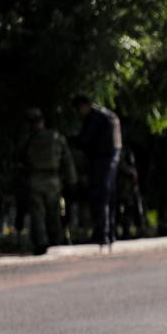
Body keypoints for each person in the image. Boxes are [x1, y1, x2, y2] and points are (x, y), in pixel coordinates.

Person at [16, 107, 76, 254]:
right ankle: (55, 241)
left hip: (35, 179)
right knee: (53, 212)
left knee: (38, 214)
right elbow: (67, 161)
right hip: (53, 180)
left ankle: (42, 243)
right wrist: (72, 181)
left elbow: (19, 158)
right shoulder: (55, 137)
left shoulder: (28, 139)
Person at [70, 95, 122, 246]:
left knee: (100, 198)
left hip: (101, 163)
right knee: (108, 198)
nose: (79, 113)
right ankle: (110, 233)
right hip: (112, 161)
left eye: (79, 108)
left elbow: (84, 140)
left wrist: (71, 140)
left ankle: (102, 234)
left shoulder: (94, 118)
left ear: (84, 105)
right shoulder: (107, 115)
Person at [116, 148, 146, 239]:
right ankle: (125, 230)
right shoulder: (120, 155)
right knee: (125, 210)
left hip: (130, 189)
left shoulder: (128, 153)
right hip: (124, 189)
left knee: (132, 209)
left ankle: (133, 230)